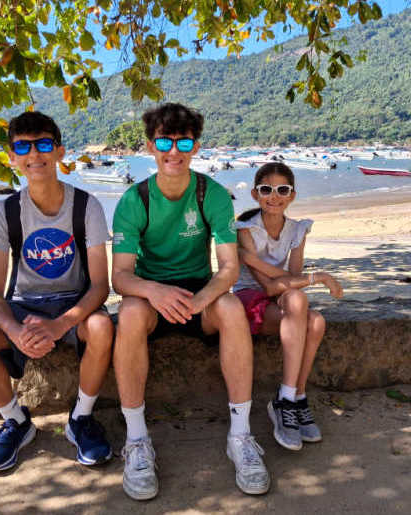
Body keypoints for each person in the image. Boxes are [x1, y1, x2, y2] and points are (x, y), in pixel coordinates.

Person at [111, 103, 270, 500]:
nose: (174, 151)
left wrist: (198, 301)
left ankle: (241, 436)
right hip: (151, 297)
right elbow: (121, 277)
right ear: (150, 146)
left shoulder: (212, 194)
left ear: (196, 145)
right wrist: (155, 292)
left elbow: (229, 269)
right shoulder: (135, 200)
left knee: (231, 307)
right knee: (129, 312)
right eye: (164, 140)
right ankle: (136, 440)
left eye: (184, 141)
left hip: (199, 294)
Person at [0, 111, 114, 472]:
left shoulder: (86, 206)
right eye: (23, 147)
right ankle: (15, 421)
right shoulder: (4, 213)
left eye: (44, 144)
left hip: (74, 303)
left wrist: (60, 325)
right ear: (12, 158)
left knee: (102, 327)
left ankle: (80, 418)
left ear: (59, 151)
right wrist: (15, 332)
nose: (35, 154)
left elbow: (100, 286)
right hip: (23, 306)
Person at [234, 162, 343, 451]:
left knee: (316, 321)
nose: (274, 196)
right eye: (266, 189)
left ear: (292, 195)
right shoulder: (246, 229)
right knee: (297, 298)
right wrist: (317, 277)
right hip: (250, 297)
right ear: (256, 194)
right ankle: (286, 399)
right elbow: (269, 287)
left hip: (278, 298)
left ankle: (294, 398)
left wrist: (292, 276)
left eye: (282, 190)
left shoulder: (297, 229)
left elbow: (292, 277)